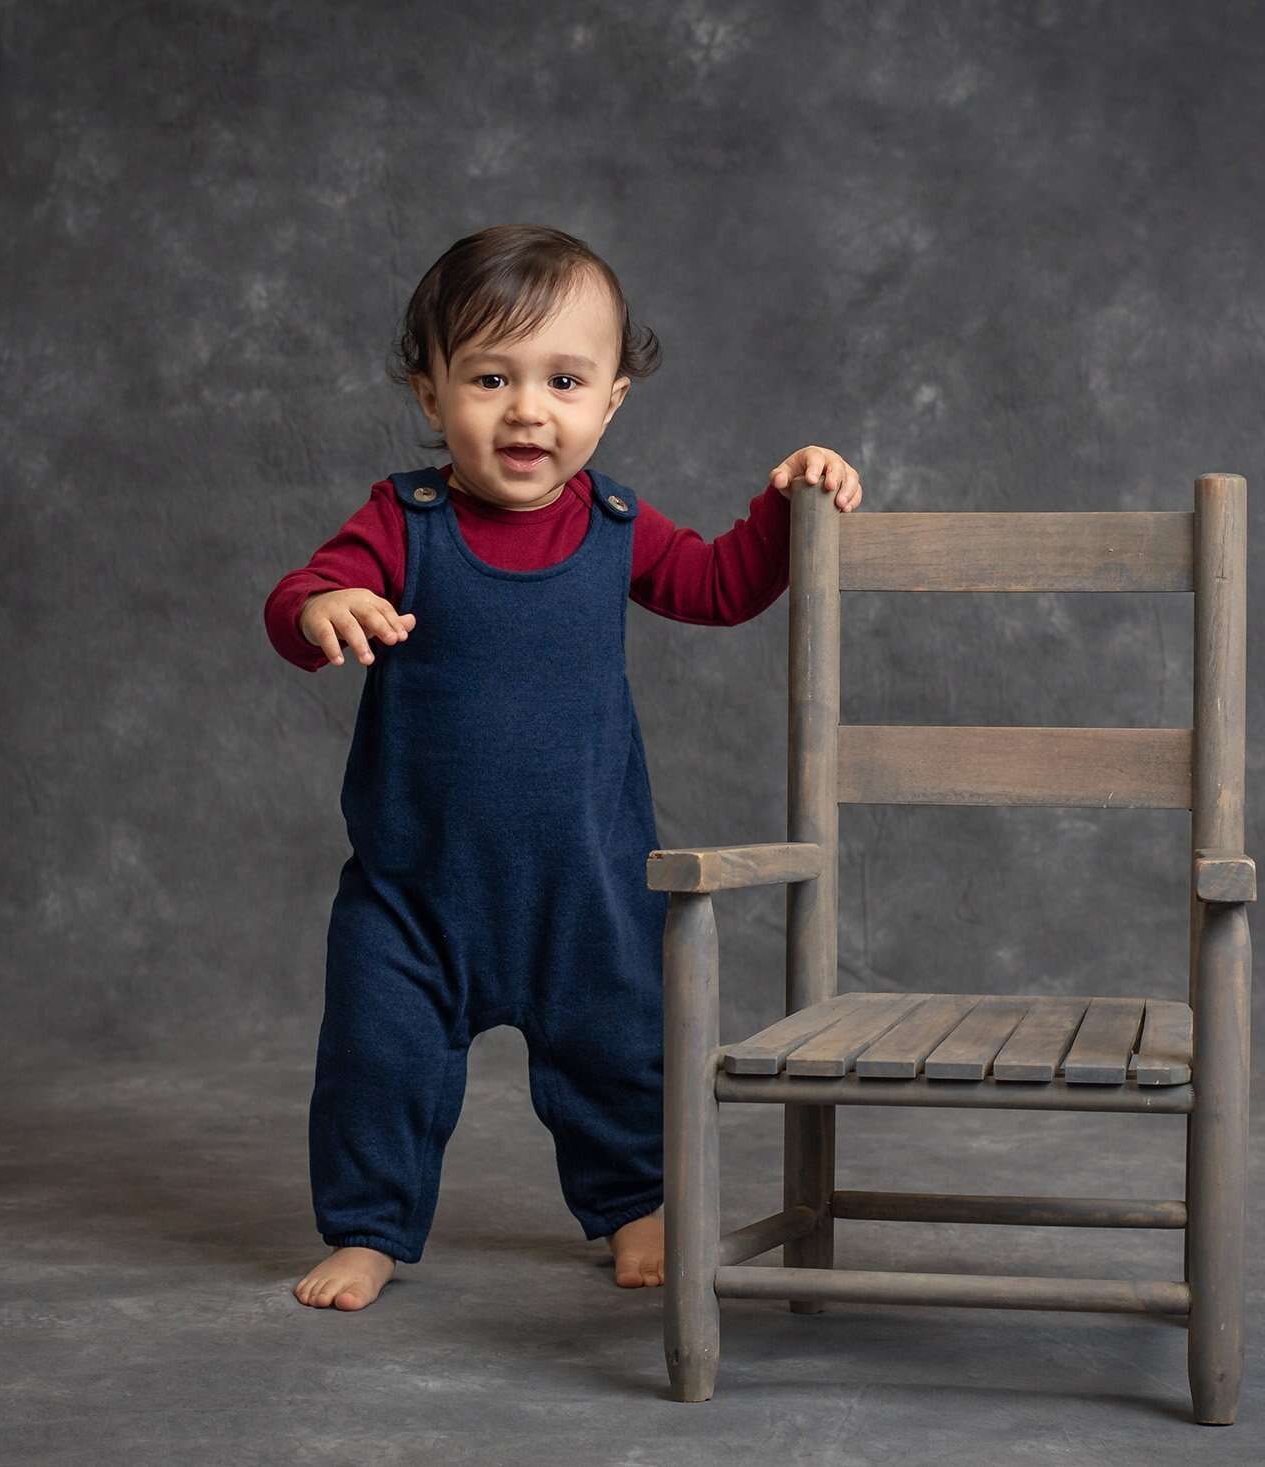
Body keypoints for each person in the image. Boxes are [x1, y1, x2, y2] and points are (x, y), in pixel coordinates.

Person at [262, 224, 863, 1311]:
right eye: (489, 377)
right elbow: (299, 595)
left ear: (612, 399)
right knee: (375, 1061)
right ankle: (368, 1229)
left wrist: (787, 505)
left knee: (619, 1052)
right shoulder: (405, 523)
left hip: (581, 880)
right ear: (428, 390)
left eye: (562, 379)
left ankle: (636, 1206)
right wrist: (322, 606)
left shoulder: (618, 527)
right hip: (414, 889)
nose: (526, 409)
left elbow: (722, 587)